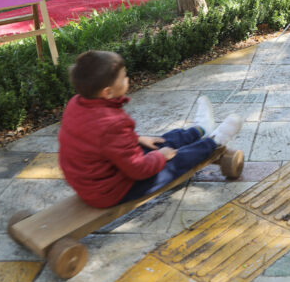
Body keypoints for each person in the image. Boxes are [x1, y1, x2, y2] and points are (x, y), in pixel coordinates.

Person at [59, 51, 242, 209]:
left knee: (161, 141)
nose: (127, 79)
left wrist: (136, 139)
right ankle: (214, 141)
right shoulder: (112, 123)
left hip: (98, 178)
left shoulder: (77, 103)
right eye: (123, 77)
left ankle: (200, 129)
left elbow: (98, 138)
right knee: (173, 160)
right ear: (107, 92)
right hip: (112, 191)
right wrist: (161, 157)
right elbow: (138, 170)